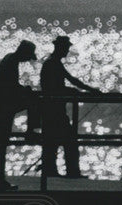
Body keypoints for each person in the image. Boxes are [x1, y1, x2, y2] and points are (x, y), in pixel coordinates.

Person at [38, 35, 101, 178]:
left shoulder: (52, 63)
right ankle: (71, 172)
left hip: (51, 109)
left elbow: (64, 82)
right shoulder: (53, 63)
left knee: (53, 142)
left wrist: (82, 89)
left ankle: (51, 171)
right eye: (66, 48)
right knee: (69, 140)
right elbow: (59, 85)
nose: (67, 51)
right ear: (60, 48)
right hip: (54, 110)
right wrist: (87, 90)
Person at [0, 40, 39, 191]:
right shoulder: (12, 62)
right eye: (28, 56)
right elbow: (10, 86)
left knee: (0, 142)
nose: (28, 60)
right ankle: (31, 131)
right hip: (4, 106)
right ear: (24, 53)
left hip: (0, 104)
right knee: (1, 142)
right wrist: (25, 90)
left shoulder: (9, 59)